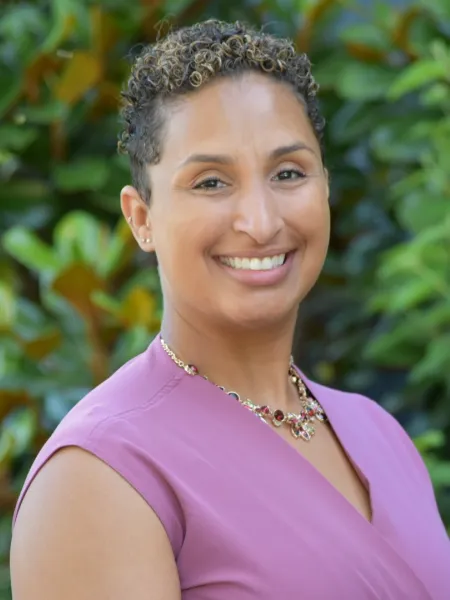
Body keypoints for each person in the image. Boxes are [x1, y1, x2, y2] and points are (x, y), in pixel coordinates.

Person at [10, 19, 450, 600]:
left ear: (324, 186)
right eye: (211, 182)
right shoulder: (99, 474)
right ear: (141, 218)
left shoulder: (380, 434)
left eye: (288, 173)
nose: (262, 222)